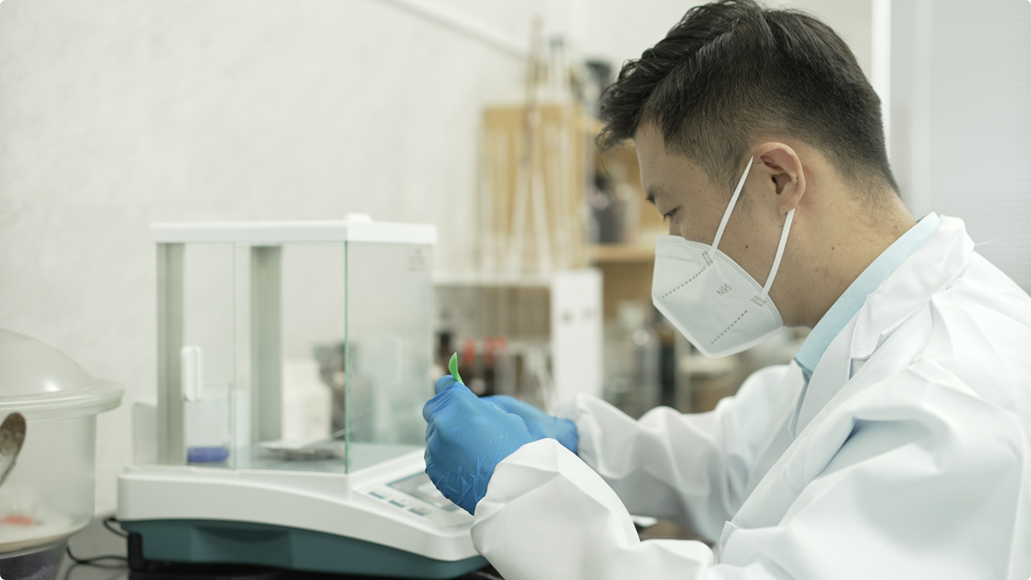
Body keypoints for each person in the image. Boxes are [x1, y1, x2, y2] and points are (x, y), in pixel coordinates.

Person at [422, 1, 1031, 578]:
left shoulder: (945, 397)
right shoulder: (869, 334)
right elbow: (741, 457)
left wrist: (519, 489)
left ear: (777, 178)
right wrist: (584, 443)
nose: (675, 244)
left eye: (673, 210)